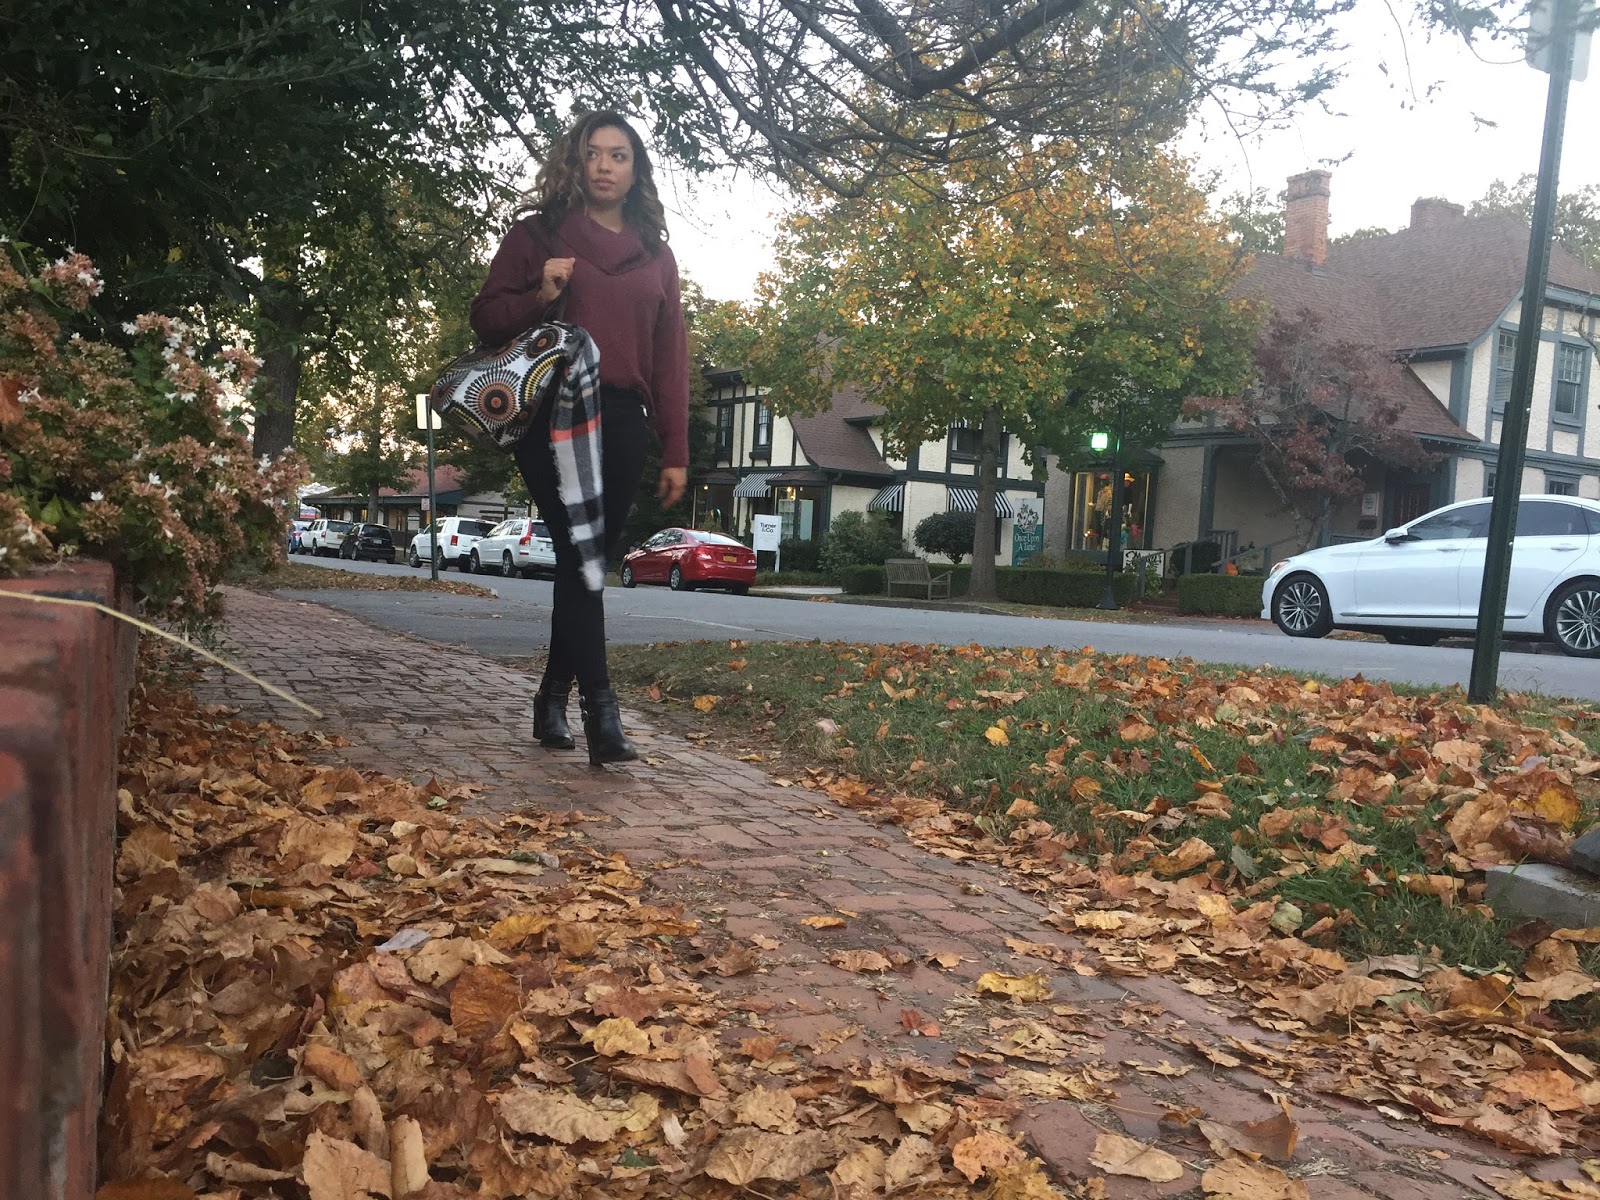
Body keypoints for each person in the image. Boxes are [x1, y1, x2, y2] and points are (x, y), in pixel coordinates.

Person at [471, 111, 688, 766]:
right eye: (593, 153)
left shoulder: (656, 256)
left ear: (635, 170)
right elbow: (486, 318)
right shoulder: (537, 234)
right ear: (576, 161)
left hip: (622, 418)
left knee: (584, 561)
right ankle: (602, 714)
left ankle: (551, 699)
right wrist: (541, 292)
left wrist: (675, 449)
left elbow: (670, 358)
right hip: (552, 414)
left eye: (618, 155)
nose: (604, 166)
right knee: (581, 554)